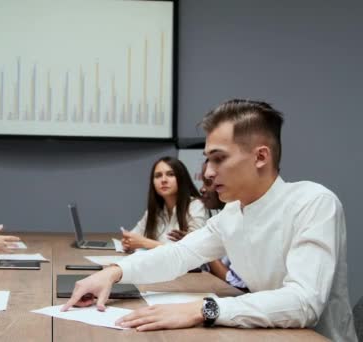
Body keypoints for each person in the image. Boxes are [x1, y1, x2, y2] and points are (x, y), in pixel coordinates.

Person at [62, 99, 356, 341]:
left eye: (218, 158)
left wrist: (204, 309)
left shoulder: (314, 202)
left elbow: (304, 303)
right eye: (207, 159)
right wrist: (113, 273)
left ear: (261, 157)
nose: (207, 172)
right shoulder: (232, 214)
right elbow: (179, 254)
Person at [121, 156, 207, 252]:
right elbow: (134, 236)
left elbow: (195, 249)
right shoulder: (155, 209)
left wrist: (144, 243)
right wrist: (127, 242)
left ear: (181, 178)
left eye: (170, 174)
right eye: (158, 176)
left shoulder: (196, 206)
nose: (163, 180)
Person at [198, 160, 247, 290]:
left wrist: (205, 252)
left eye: (208, 182)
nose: (202, 189)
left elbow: (238, 284)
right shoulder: (223, 217)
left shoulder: (242, 219)